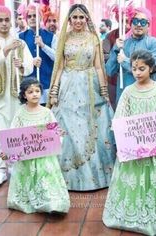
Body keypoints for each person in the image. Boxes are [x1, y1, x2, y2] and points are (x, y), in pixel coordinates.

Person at [102, 49, 156, 235]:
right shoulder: (128, 92)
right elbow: (120, 118)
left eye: (141, 68)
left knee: (154, 177)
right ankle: (133, 213)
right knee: (134, 178)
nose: (137, 72)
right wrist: (123, 140)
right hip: (134, 146)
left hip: (155, 145)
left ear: (151, 68)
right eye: (134, 68)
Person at [47, 4, 116, 191]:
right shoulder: (65, 38)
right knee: (68, 128)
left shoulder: (94, 38)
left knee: (91, 127)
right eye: (74, 17)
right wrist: (54, 92)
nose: (78, 21)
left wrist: (103, 91)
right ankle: (65, 177)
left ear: (87, 19)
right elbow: (59, 67)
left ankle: (95, 177)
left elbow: (99, 67)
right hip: (68, 87)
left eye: (81, 17)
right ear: (69, 20)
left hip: (89, 87)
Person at [0, 1, 33, 186]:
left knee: (15, 132)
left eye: (7, 20)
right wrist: (6, 49)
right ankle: (0, 170)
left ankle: (13, 166)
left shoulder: (19, 42)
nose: (4, 23)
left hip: (15, 96)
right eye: (0, 20)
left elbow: (28, 68)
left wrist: (23, 65)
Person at [6, 78, 70, 214]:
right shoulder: (20, 113)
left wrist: (58, 134)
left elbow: (55, 130)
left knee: (46, 179)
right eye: (30, 92)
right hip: (26, 157)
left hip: (44, 157)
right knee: (29, 179)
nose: (35, 94)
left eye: (37, 91)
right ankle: (28, 199)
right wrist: (9, 150)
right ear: (24, 95)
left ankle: (52, 203)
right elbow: (13, 133)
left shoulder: (47, 112)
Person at [106, 6, 156, 105]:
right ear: (131, 24)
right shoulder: (123, 44)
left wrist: (125, 61)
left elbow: (152, 68)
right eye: (135, 21)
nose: (139, 25)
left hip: (146, 96)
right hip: (125, 96)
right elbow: (109, 71)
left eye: (143, 22)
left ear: (148, 25)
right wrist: (115, 49)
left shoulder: (154, 43)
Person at [19, 3, 57, 105]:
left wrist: (43, 46)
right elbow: (18, 61)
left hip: (46, 84)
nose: (32, 18)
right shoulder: (20, 37)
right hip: (28, 85)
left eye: (35, 15)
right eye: (29, 16)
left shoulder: (51, 36)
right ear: (26, 19)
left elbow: (57, 58)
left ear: (40, 17)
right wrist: (31, 62)